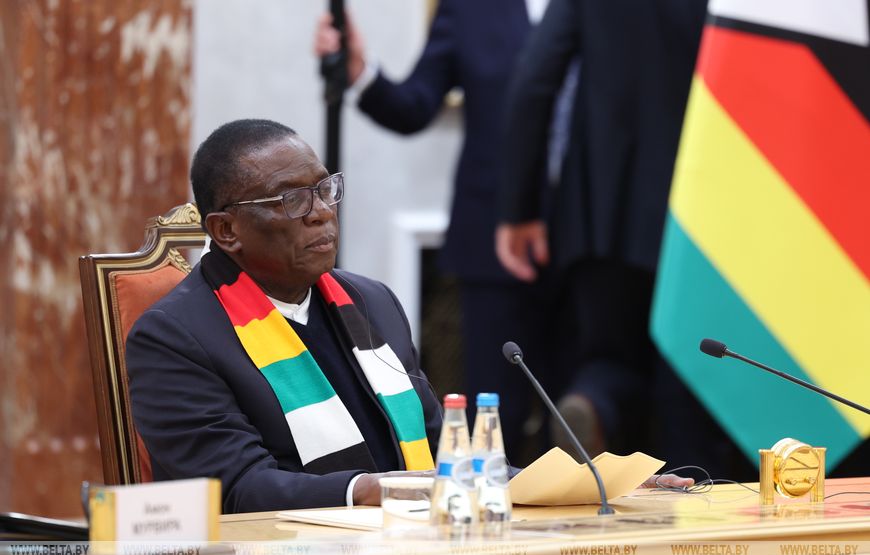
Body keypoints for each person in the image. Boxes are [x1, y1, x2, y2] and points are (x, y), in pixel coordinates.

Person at [126, 120, 441, 514]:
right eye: (293, 200)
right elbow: (234, 488)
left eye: (324, 190)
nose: (322, 212)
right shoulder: (175, 337)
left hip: (410, 535)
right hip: (279, 547)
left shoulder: (371, 302)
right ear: (226, 230)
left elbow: (437, 448)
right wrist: (364, 490)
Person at [314, 0, 567, 462]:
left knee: (580, 409)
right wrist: (360, 72)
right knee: (494, 413)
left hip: (588, 239)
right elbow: (413, 106)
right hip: (491, 236)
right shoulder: (472, 8)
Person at [496, 0, 709, 459]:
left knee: (610, 356)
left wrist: (520, 209)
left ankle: (594, 402)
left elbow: (535, 78)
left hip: (602, 213)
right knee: (689, 380)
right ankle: (695, 493)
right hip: (701, 215)